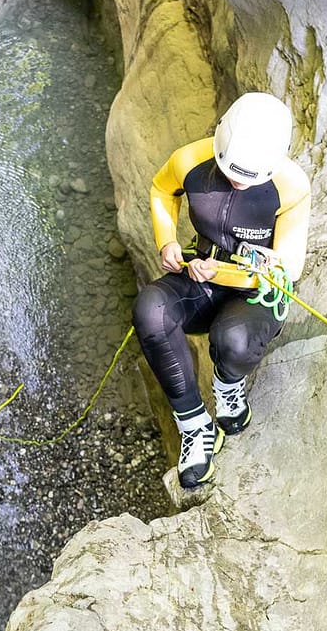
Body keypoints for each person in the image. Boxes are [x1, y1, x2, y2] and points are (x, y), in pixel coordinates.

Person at [132, 93, 311, 489]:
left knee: (232, 338)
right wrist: (167, 243)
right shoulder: (190, 160)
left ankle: (229, 389)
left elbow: (287, 269)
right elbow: (162, 190)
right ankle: (195, 426)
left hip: (255, 290)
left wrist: (223, 273)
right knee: (150, 309)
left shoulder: (291, 187)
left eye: (249, 179)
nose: (237, 183)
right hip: (201, 274)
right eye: (232, 173)